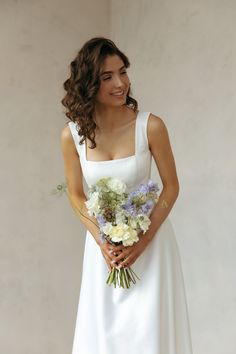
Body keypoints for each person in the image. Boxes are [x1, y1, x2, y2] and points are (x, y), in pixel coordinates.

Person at [60, 37, 193, 354]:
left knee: (149, 334)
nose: (121, 83)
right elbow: (76, 195)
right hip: (103, 252)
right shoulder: (72, 136)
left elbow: (170, 186)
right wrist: (102, 240)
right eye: (107, 77)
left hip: (151, 246)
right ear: (90, 83)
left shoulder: (151, 126)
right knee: (105, 338)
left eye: (123, 72)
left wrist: (143, 239)